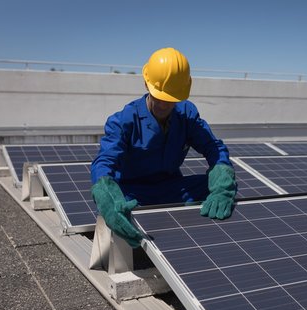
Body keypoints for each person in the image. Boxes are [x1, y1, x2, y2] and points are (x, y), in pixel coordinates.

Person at [90, 47, 237, 248]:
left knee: (217, 186)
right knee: (114, 203)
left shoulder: (187, 114)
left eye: (171, 99)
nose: (163, 105)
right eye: (159, 96)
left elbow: (213, 147)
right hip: (133, 193)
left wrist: (222, 185)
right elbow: (105, 161)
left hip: (171, 188)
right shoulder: (123, 120)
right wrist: (105, 192)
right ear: (146, 83)